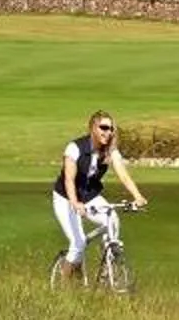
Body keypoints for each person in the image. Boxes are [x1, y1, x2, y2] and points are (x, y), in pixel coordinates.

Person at [51, 110, 146, 281]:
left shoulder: (110, 152)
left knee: (112, 219)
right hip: (66, 197)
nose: (107, 133)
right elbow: (69, 180)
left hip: (89, 196)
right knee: (78, 243)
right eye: (103, 127)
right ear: (93, 128)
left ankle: (107, 266)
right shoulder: (75, 148)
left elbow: (123, 175)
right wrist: (74, 203)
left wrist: (137, 196)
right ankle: (63, 288)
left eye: (111, 129)